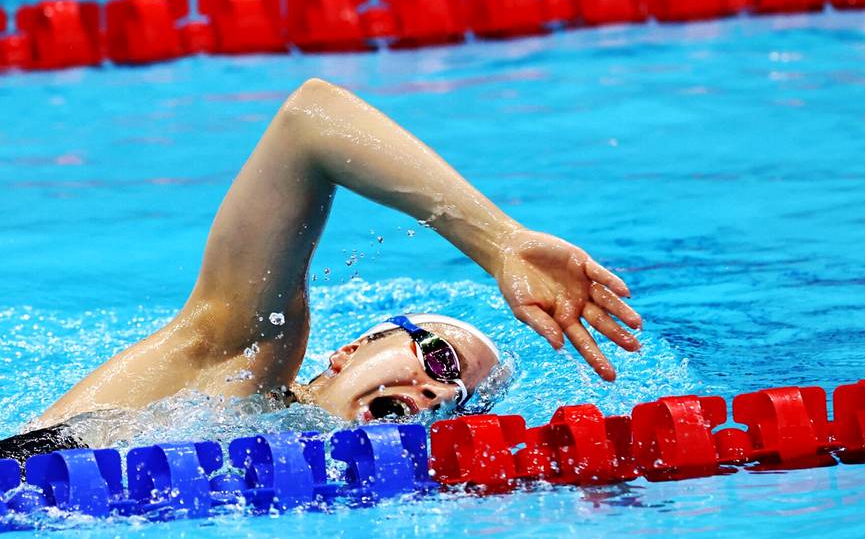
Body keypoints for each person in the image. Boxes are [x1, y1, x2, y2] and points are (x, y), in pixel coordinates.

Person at [0, 78, 642, 462]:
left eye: (459, 400)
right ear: (350, 350)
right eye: (440, 363)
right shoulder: (239, 362)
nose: (443, 394)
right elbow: (310, 122)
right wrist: (500, 242)